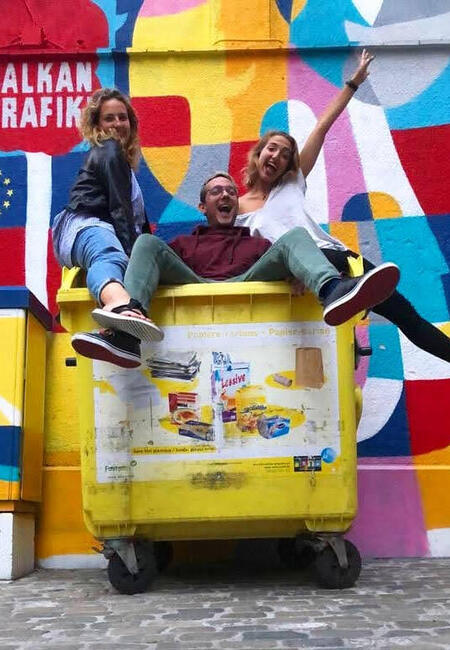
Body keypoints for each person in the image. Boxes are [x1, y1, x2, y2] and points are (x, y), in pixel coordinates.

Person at [235, 50, 450, 363]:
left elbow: (321, 127)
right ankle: (341, 291)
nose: (277, 156)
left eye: (285, 154)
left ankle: (351, 290)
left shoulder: (291, 183)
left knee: (407, 315)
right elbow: (245, 258)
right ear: (258, 154)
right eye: (272, 149)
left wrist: (353, 83)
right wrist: (289, 275)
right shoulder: (238, 210)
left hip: (342, 259)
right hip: (301, 268)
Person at [71, 172, 400, 366]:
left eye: (231, 191)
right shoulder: (183, 244)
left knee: (296, 236)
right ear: (203, 206)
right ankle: (127, 334)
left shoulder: (257, 243)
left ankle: (332, 291)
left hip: (247, 279)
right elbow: (147, 265)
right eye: (216, 191)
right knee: (145, 242)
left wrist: (297, 273)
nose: (226, 195)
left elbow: (288, 258)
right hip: (195, 282)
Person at [52, 87, 162, 367]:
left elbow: (140, 229)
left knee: (119, 260)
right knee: (109, 256)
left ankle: (122, 341)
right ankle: (118, 306)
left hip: (99, 229)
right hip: (84, 224)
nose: (117, 124)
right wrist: (131, 258)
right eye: (109, 118)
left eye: (122, 117)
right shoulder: (109, 149)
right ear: (97, 125)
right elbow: (120, 212)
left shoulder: (123, 163)